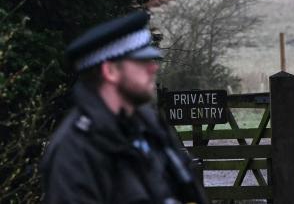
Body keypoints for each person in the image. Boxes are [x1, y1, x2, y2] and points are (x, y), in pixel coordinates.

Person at [41, 11, 206, 204]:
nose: (153, 68)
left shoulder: (150, 126)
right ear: (110, 71)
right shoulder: (74, 152)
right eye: (142, 61)